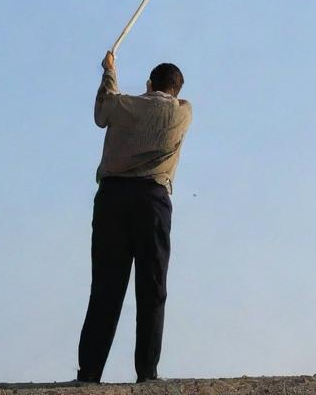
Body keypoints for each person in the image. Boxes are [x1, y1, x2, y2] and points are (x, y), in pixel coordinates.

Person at [75, 50, 193, 383]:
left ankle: (90, 372)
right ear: (176, 90)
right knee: (152, 287)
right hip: (152, 201)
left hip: (112, 198)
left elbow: (103, 110)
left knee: (106, 288)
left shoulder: (124, 106)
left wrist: (109, 71)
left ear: (148, 83)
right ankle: (147, 373)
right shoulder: (183, 112)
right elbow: (161, 104)